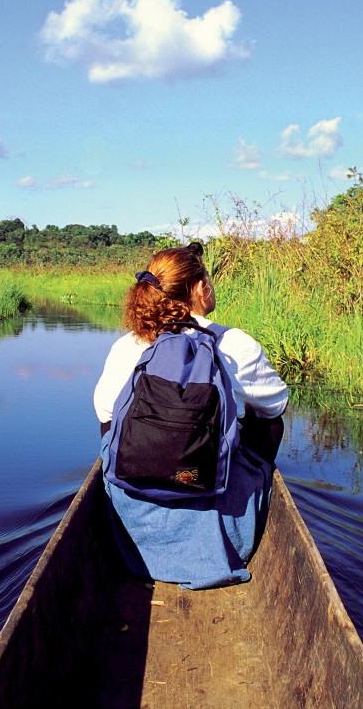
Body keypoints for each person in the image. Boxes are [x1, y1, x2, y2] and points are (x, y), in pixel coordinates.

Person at [93, 242, 289, 589]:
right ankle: (230, 509)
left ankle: (139, 515)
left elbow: (106, 421)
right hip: (220, 518)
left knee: (112, 432)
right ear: (201, 288)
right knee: (269, 422)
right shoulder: (235, 344)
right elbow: (275, 407)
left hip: (133, 526)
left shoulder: (126, 346)